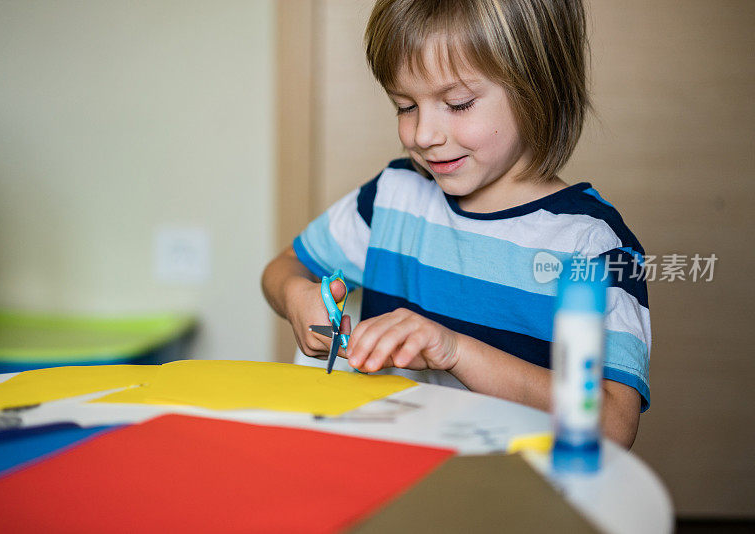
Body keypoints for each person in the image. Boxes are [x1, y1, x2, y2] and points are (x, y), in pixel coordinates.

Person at [262, 0, 650, 448]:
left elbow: (612, 426)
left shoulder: (590, 245)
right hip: (387, 481)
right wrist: (297, 295)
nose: (423, 135)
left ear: (537, 88)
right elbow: (285, 266)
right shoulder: (394, 197)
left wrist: (455, 351)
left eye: (457, 103)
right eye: (405, 106)